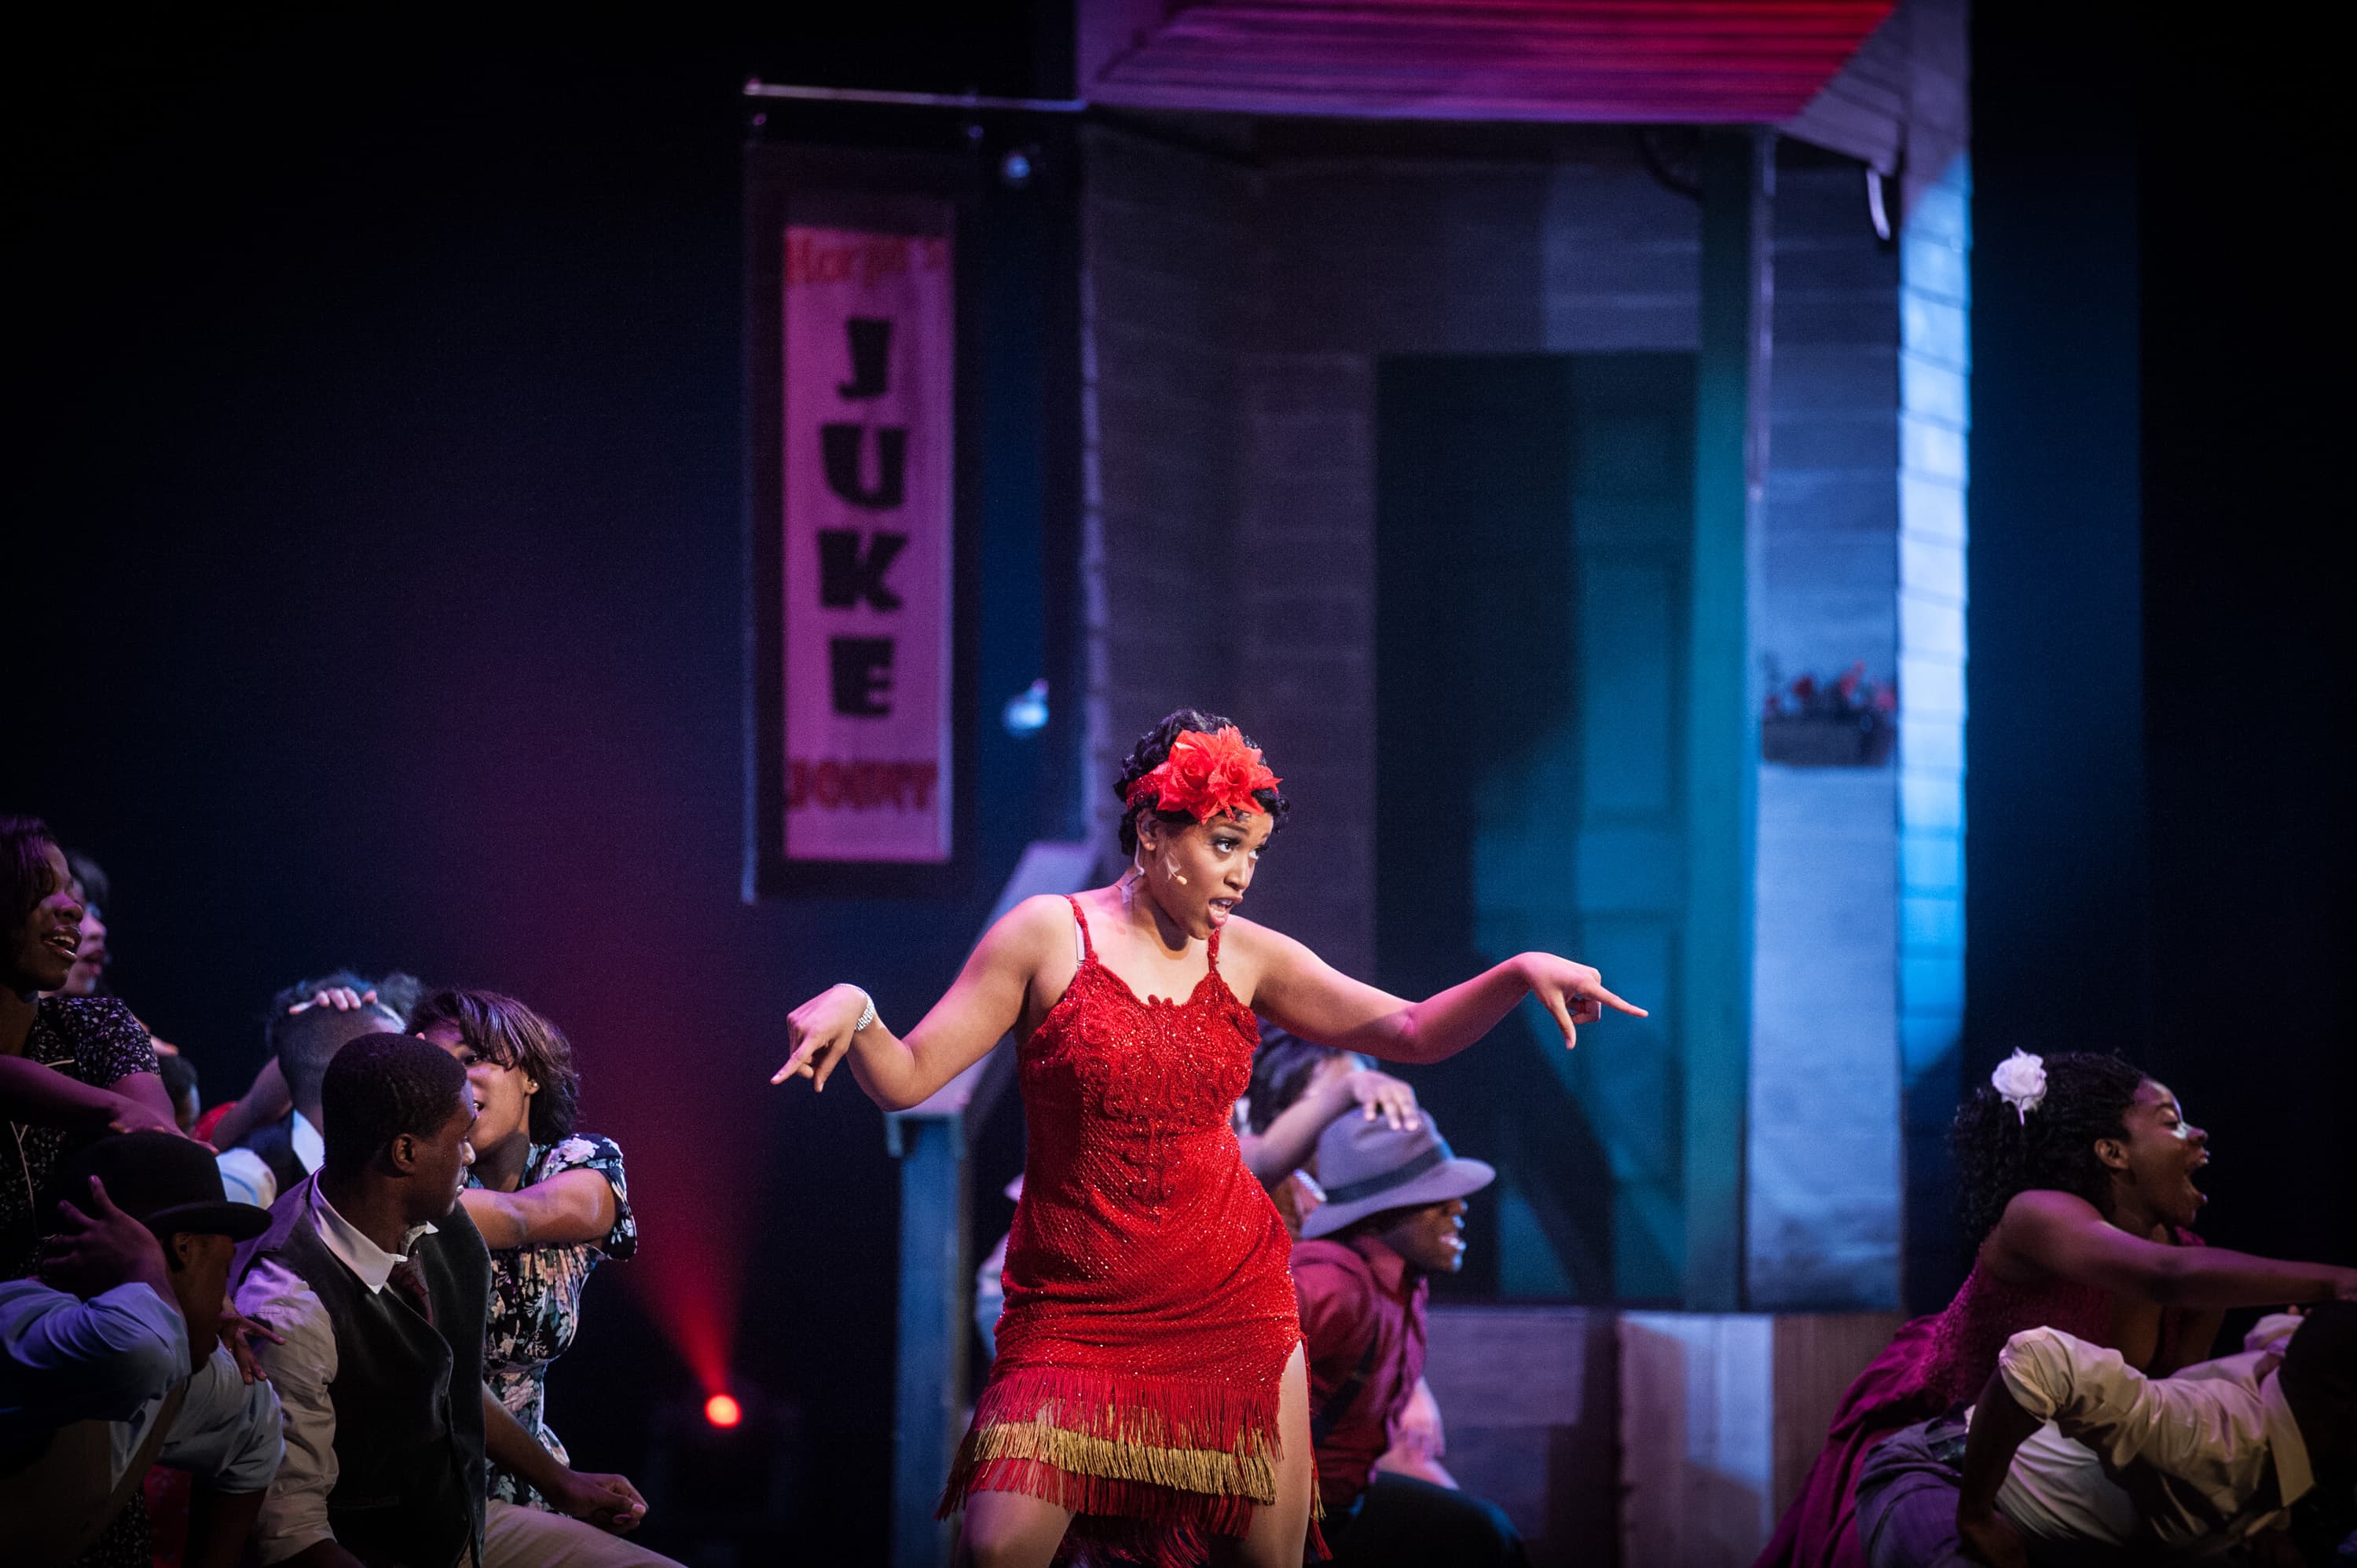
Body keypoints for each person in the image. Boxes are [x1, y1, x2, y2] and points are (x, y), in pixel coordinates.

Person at [772, 709, 1645, 1568]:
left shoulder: (1246, 955)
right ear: (1153, 832)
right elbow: (908, 1076)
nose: (1244, 874)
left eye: (1254, 852)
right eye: (1225, 845)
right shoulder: (1046, 936)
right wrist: (861, 1006)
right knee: (998, 1549)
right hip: (1075, 1316)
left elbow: (1410, 1029)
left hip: (1232, 1305)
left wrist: (1519, 971)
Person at [1758, 1050, 2357, 1568]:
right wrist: (2339, 1283)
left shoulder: (2192, 1264)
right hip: (1945, 1443)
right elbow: (2163, 1278)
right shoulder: (2039, 1215)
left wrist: (2263, 1523)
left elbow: (2167, 1412)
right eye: (2172, 1122)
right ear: (2111, 1152)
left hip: (2050, 1473)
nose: (2197, 1135)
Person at [233, 1030, 669, 1567]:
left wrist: (562, 1484)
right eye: (460, 1137)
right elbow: (292, 1537)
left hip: (456, 1519)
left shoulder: (444, 1227)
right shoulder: (289, 1305)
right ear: (406, 1152)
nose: (470, 1153)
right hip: (367, 1546)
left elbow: (451, 1382)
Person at [1853, 1306, 2357, 1566]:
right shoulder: (2211, 1439)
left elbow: (2277, 1332)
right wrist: (1977, 1516)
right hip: (1940, 1473)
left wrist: (2265, 1524)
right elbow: (2040, 1357)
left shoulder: (2291, 1365)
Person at [1, 1132, 282, 1568]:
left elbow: (257, 1421)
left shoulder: (173, 1356)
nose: (227, 1303)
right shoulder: (23, 1318)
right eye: (223, 1273)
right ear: (180, 1248)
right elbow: (141, 1352)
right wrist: (147, 1269)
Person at [411, 987, 640, 1512]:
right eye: (436, 1069)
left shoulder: (580, 1162)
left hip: (529, 1477)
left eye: (473, 1059)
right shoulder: (410, 1173)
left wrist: (414, 1195)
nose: (456, 1081)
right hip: (427, 1474)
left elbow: (520, 1219)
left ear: (532, 1076)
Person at [1292, 1108, 1524, 1566]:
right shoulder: (1329, 1287)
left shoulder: (1404, 1282)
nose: (1457, 1208)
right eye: (1434, 1197)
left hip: (1344, 1503)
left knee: (1483, 1536)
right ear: (1377, 1216)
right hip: (1288, 1515)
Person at [2, 817, 178, 1282]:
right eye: (43, 889)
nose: (73, 910)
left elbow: (161, 1146)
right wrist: (113, 1109)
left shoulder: (97, 1024)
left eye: (71, 893)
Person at [214, 973, 414, 1211]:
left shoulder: (394, 1169)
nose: (415, 1080)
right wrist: (315, 1031)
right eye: (398, 1056)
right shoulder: (247, 1179)